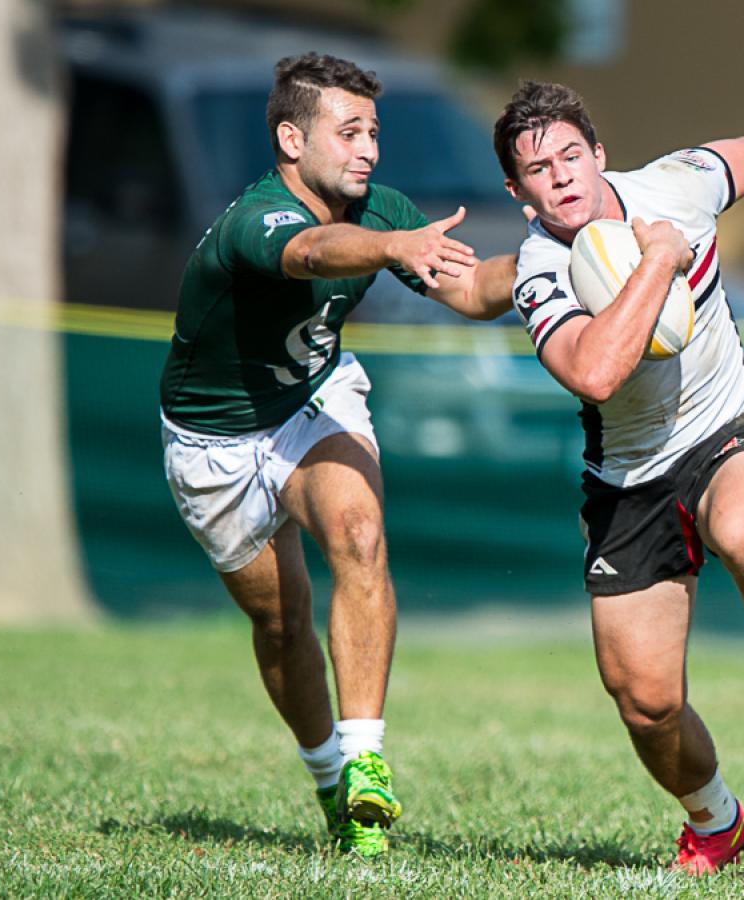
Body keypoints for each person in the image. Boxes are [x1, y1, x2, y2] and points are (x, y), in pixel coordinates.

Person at [492, 81, 744, 874]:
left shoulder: (673, 185)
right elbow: (595, 375)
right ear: (517, 190)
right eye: (538, 169)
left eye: (571, 155)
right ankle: (714, 822)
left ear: (599, 154)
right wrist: (659, 260)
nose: (560, 176)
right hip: (629, 479)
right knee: (645, 701)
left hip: (727, 426)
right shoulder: (541, 268)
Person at [158, 53, 516, 857]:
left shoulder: (381, 210)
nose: (369, 151)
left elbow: (468, 289)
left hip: (310, 406)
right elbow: (316, 253)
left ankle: (366, 766)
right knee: (280, 623)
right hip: (212, 445)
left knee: (357, 534)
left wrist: (551, 268)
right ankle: (329, 782)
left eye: (374, 133)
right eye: (348, 132)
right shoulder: (255, 220)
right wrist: (391, 249)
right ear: (291, 138)